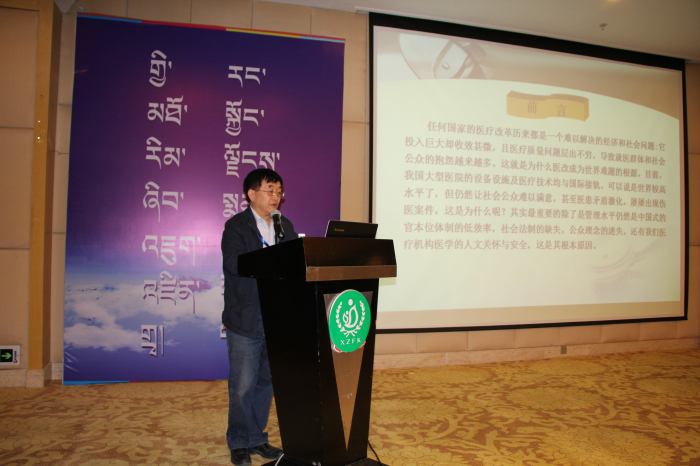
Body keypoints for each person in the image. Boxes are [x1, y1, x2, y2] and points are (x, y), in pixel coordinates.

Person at [221, 168, 297, 466]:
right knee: (242, 386)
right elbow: (235, 264)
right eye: (270, 190)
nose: (276, 196)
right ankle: (238, 441)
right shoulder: (235, 226)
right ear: (251, 194)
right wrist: (273, 260)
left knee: (266, 382)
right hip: (246, 317)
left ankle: (256, 438)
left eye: (279, 191)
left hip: (277, 319)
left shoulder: (285, 226)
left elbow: (294, 263)